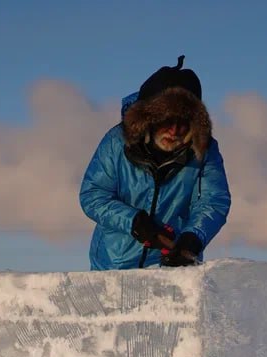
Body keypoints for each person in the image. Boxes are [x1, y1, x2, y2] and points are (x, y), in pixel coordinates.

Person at [80, 56, 231, 270]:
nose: (174, 130)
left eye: (183, 121)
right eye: (167, 119)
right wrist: (135, 222)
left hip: (172, 269)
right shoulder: (116, 141)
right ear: (148, 117)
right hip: (112, 266)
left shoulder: (205, 150)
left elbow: (213, 201)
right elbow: (93, 194)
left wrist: (192, 239)